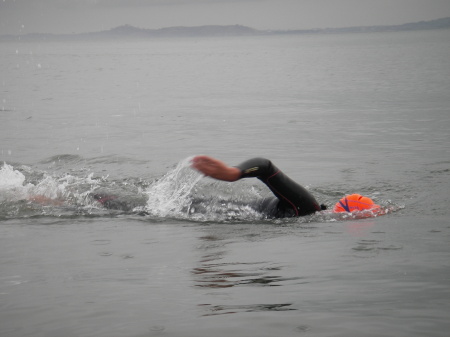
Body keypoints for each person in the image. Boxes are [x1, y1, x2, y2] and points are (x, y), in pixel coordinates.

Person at [191, 155, 380, 218]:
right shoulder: (307, 207)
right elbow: (265, 166)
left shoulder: (309, 213)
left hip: (207, 209)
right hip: (203, 210)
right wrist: (233, 173)